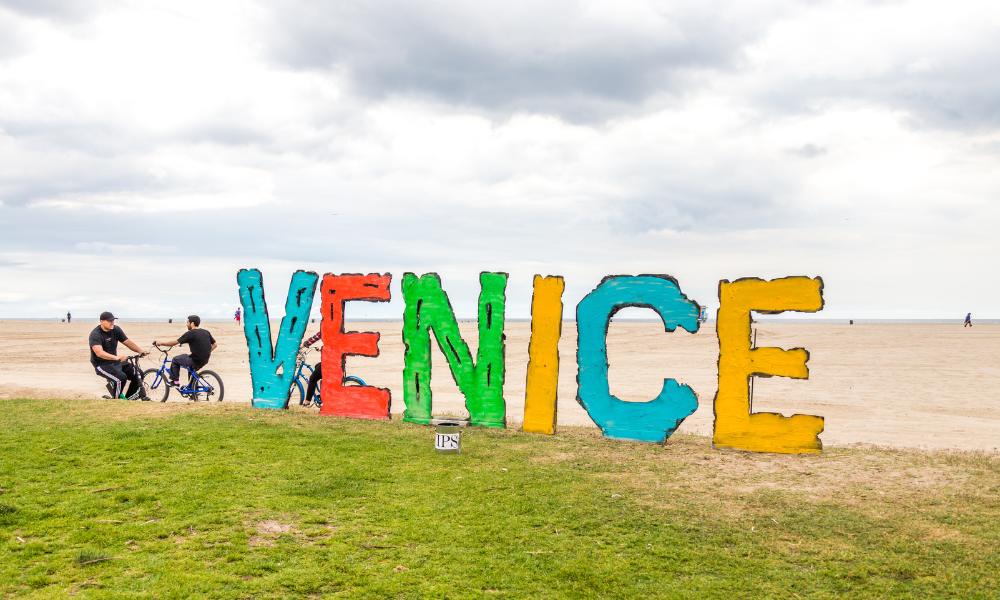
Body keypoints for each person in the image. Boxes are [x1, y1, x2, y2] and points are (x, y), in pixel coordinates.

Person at [90, 311, 149, 400]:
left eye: (113, 320)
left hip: (115, 362)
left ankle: (129, 399)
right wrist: (116, 357)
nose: (112, 322)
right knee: (121, 378)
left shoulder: (116, 330)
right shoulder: (95, 334)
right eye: (109, 321)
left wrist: (140, 350)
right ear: (101, 321)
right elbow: (99, 353)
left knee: (139, 374)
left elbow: (127, 342)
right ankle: (117, 401)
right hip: (101, 365)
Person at [154, 315, 217, 387]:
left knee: (175, 359)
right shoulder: (206, 332)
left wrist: (161, 343)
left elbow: (174, 342)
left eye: (187, 322)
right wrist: (206, 352)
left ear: (192, 323)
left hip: (195, 360)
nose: (186, 324)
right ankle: (193, 390)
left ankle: (175, 382)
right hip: (205, 360)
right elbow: (215, 345)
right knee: (190, 367)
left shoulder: (190, 333)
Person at [302, 330, 322, 406]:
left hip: (330, 363)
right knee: (317, 365)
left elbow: (317, 336)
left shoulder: (326, 329)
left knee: (313, 378)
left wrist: (303, 345)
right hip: (338, 362)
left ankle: (307, 401)